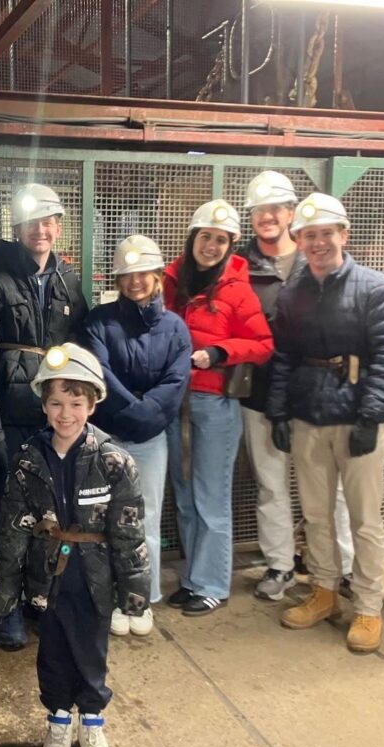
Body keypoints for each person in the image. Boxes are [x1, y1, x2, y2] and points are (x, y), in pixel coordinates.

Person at [0, 342, 149, 747]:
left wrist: (135, 590)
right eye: (56, 403)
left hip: (94, 579)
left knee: (92, 651)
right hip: (46, 577)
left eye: (76, 403)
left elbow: (129, 533)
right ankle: (58, 721)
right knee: (53, 652)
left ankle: (92, 722)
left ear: (92, 405)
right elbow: (12, 529)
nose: (65, 413)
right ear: (43, 404)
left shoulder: (115, 462)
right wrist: (5, 587)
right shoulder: (28, 460)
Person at [267, 192, 384, 653]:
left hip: (357, 417)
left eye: (327, 233)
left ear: (344, 235)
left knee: (365, 520)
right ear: (300, 241)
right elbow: (283, 357)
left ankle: (367, 605)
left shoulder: (374, 288)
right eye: (309, 236)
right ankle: (324, 592)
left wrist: (371, 417)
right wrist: (279, 412)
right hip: (309, 417)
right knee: (316, 514)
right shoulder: (294, 293)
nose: (319, 243)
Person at [0, 182, 88, 651]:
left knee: (54, 514)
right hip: (9, 420)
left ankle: (41, 597)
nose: (42, 230)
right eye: (33, 221)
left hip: (55, 419)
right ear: (17, 227)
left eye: (50, 221)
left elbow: (81, 350)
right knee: (8, 517)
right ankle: (6, 608)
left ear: (59, 227)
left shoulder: (68, 282)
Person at [237, 171, 354, 601]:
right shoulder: (239, 266)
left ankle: (342, 567)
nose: (267, 217)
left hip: (315, 394)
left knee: (330, 487)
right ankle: (281, 565)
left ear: (291, 213)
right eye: (259, 210)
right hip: (260, 392)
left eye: (275, 209)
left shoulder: (318, 259)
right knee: (271, 484)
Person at [163, 200, 274, 617]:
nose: (211, 246)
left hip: (214, 404)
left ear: (231, 245)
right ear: (193, 238)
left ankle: (212, 584)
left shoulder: (236, 288)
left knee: (211, 498)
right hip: (176, 403)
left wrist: (221, 351)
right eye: (206, 237)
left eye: (221, 240)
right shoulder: (171, 282)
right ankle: (193, 578)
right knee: (185, 496)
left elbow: (263, 345)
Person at [82, 235, 191, 636]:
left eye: (143, 272)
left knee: (145, 518)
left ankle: (141, 599)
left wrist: (145, 415)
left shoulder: (175, 327)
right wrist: (135, 410)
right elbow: (100, 372)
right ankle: (111, 597)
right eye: (127, 274)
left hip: (150, 439)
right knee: (104, 518)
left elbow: (176, 380)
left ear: (157, 275)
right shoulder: (99, 321)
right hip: (107, 434)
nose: (135, 281)